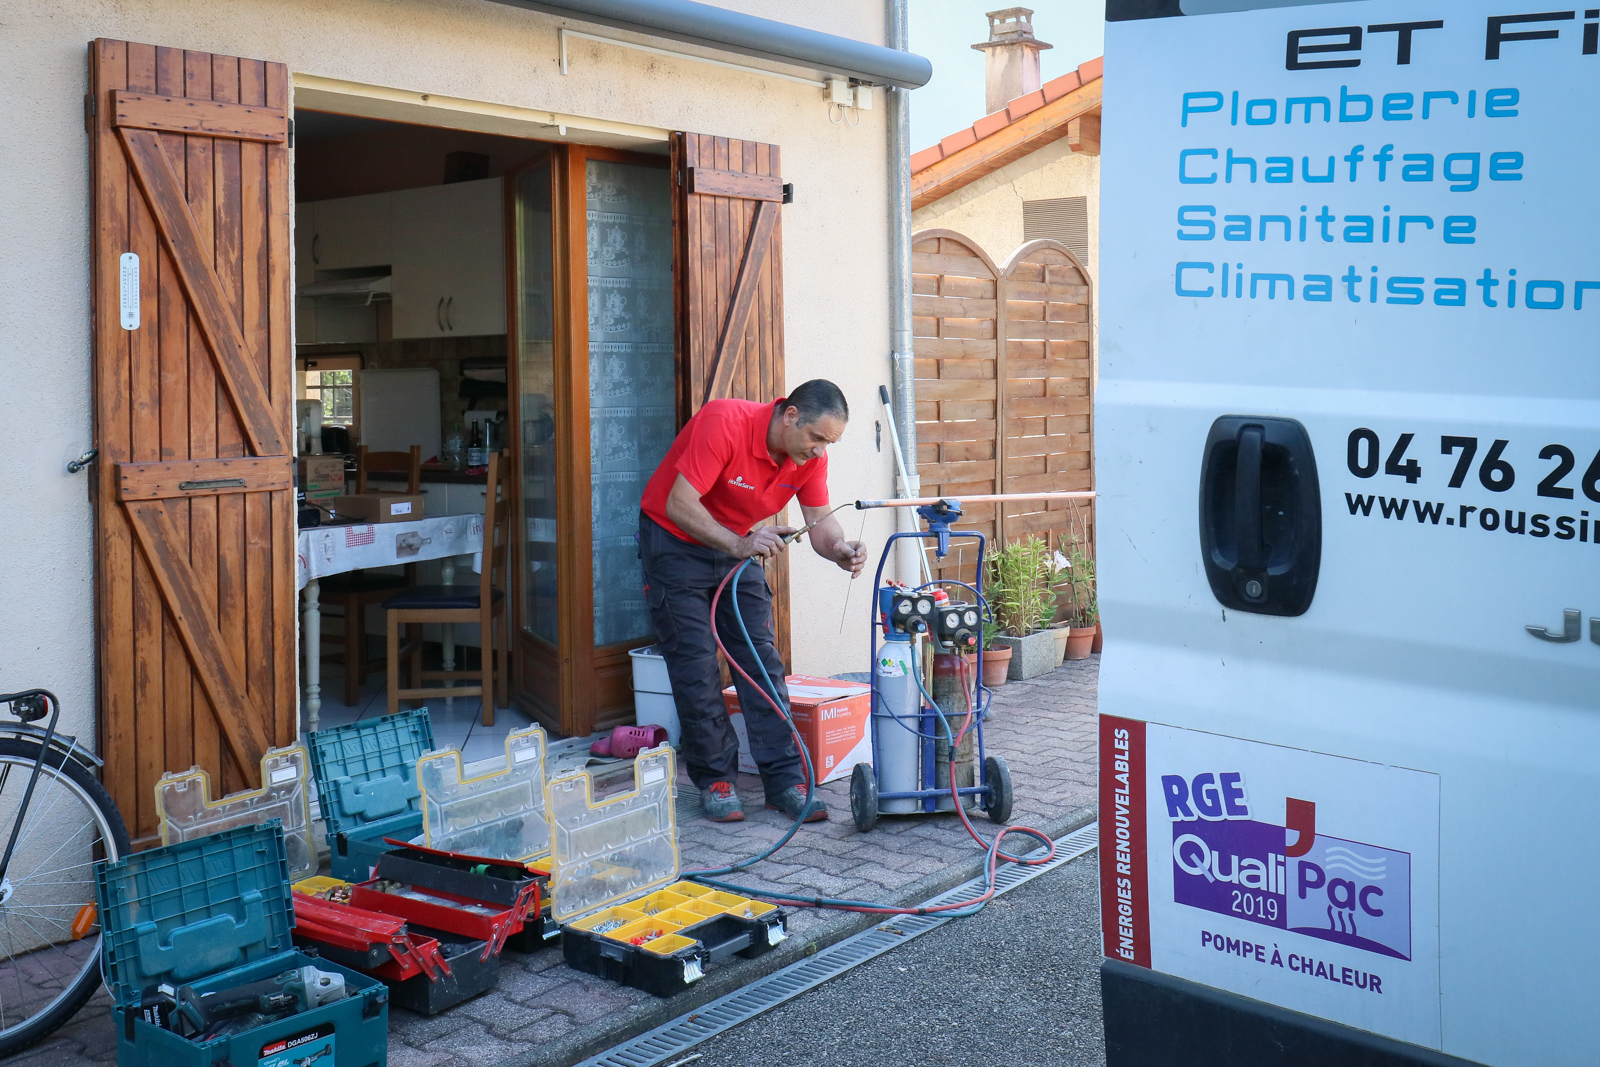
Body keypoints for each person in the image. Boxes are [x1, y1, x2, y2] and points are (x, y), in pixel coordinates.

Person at [638, 380, 867, 824]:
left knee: (761, 660)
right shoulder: (725, 422)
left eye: (828, 444)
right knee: (695, 663)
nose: (820, 452)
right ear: (790, 415)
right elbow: (679, 503)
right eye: (816, 438)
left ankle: (783, 780)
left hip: (736, 544)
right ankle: (715, 780)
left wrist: (840, 549)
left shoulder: (807, 457)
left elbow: (820, 522)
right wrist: (740, 545)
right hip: (674, 539)